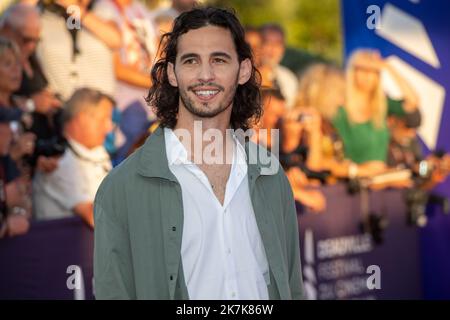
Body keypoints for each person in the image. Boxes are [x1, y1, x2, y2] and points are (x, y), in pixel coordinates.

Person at [94, 7, 304, 300]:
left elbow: (292, 285)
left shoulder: (269, 173)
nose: (205, 75)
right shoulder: (121, 190)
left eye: (219, 60)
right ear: (172, 73)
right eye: (191, 61)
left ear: (243, 70)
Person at [33, 88, 113, 227]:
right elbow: (96, 217)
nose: (109, 127)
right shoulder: (56, 160)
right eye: (103, 119)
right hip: (58, 246)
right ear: (81, 119)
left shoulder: (97, 153)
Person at [332, 49, 421, 166]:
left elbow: (413, 101)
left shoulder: (382, 105)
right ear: (353, 71)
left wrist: (387, 67)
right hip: (352, 177)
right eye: (363, 70)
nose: (368, 75)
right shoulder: (340, 106)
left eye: (374, 71)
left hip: (379, 178)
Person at [259, 23, 298, 109]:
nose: (272, 49)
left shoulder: (288, 78)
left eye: (277, 44)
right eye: (267, 43)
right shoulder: (245, 76)